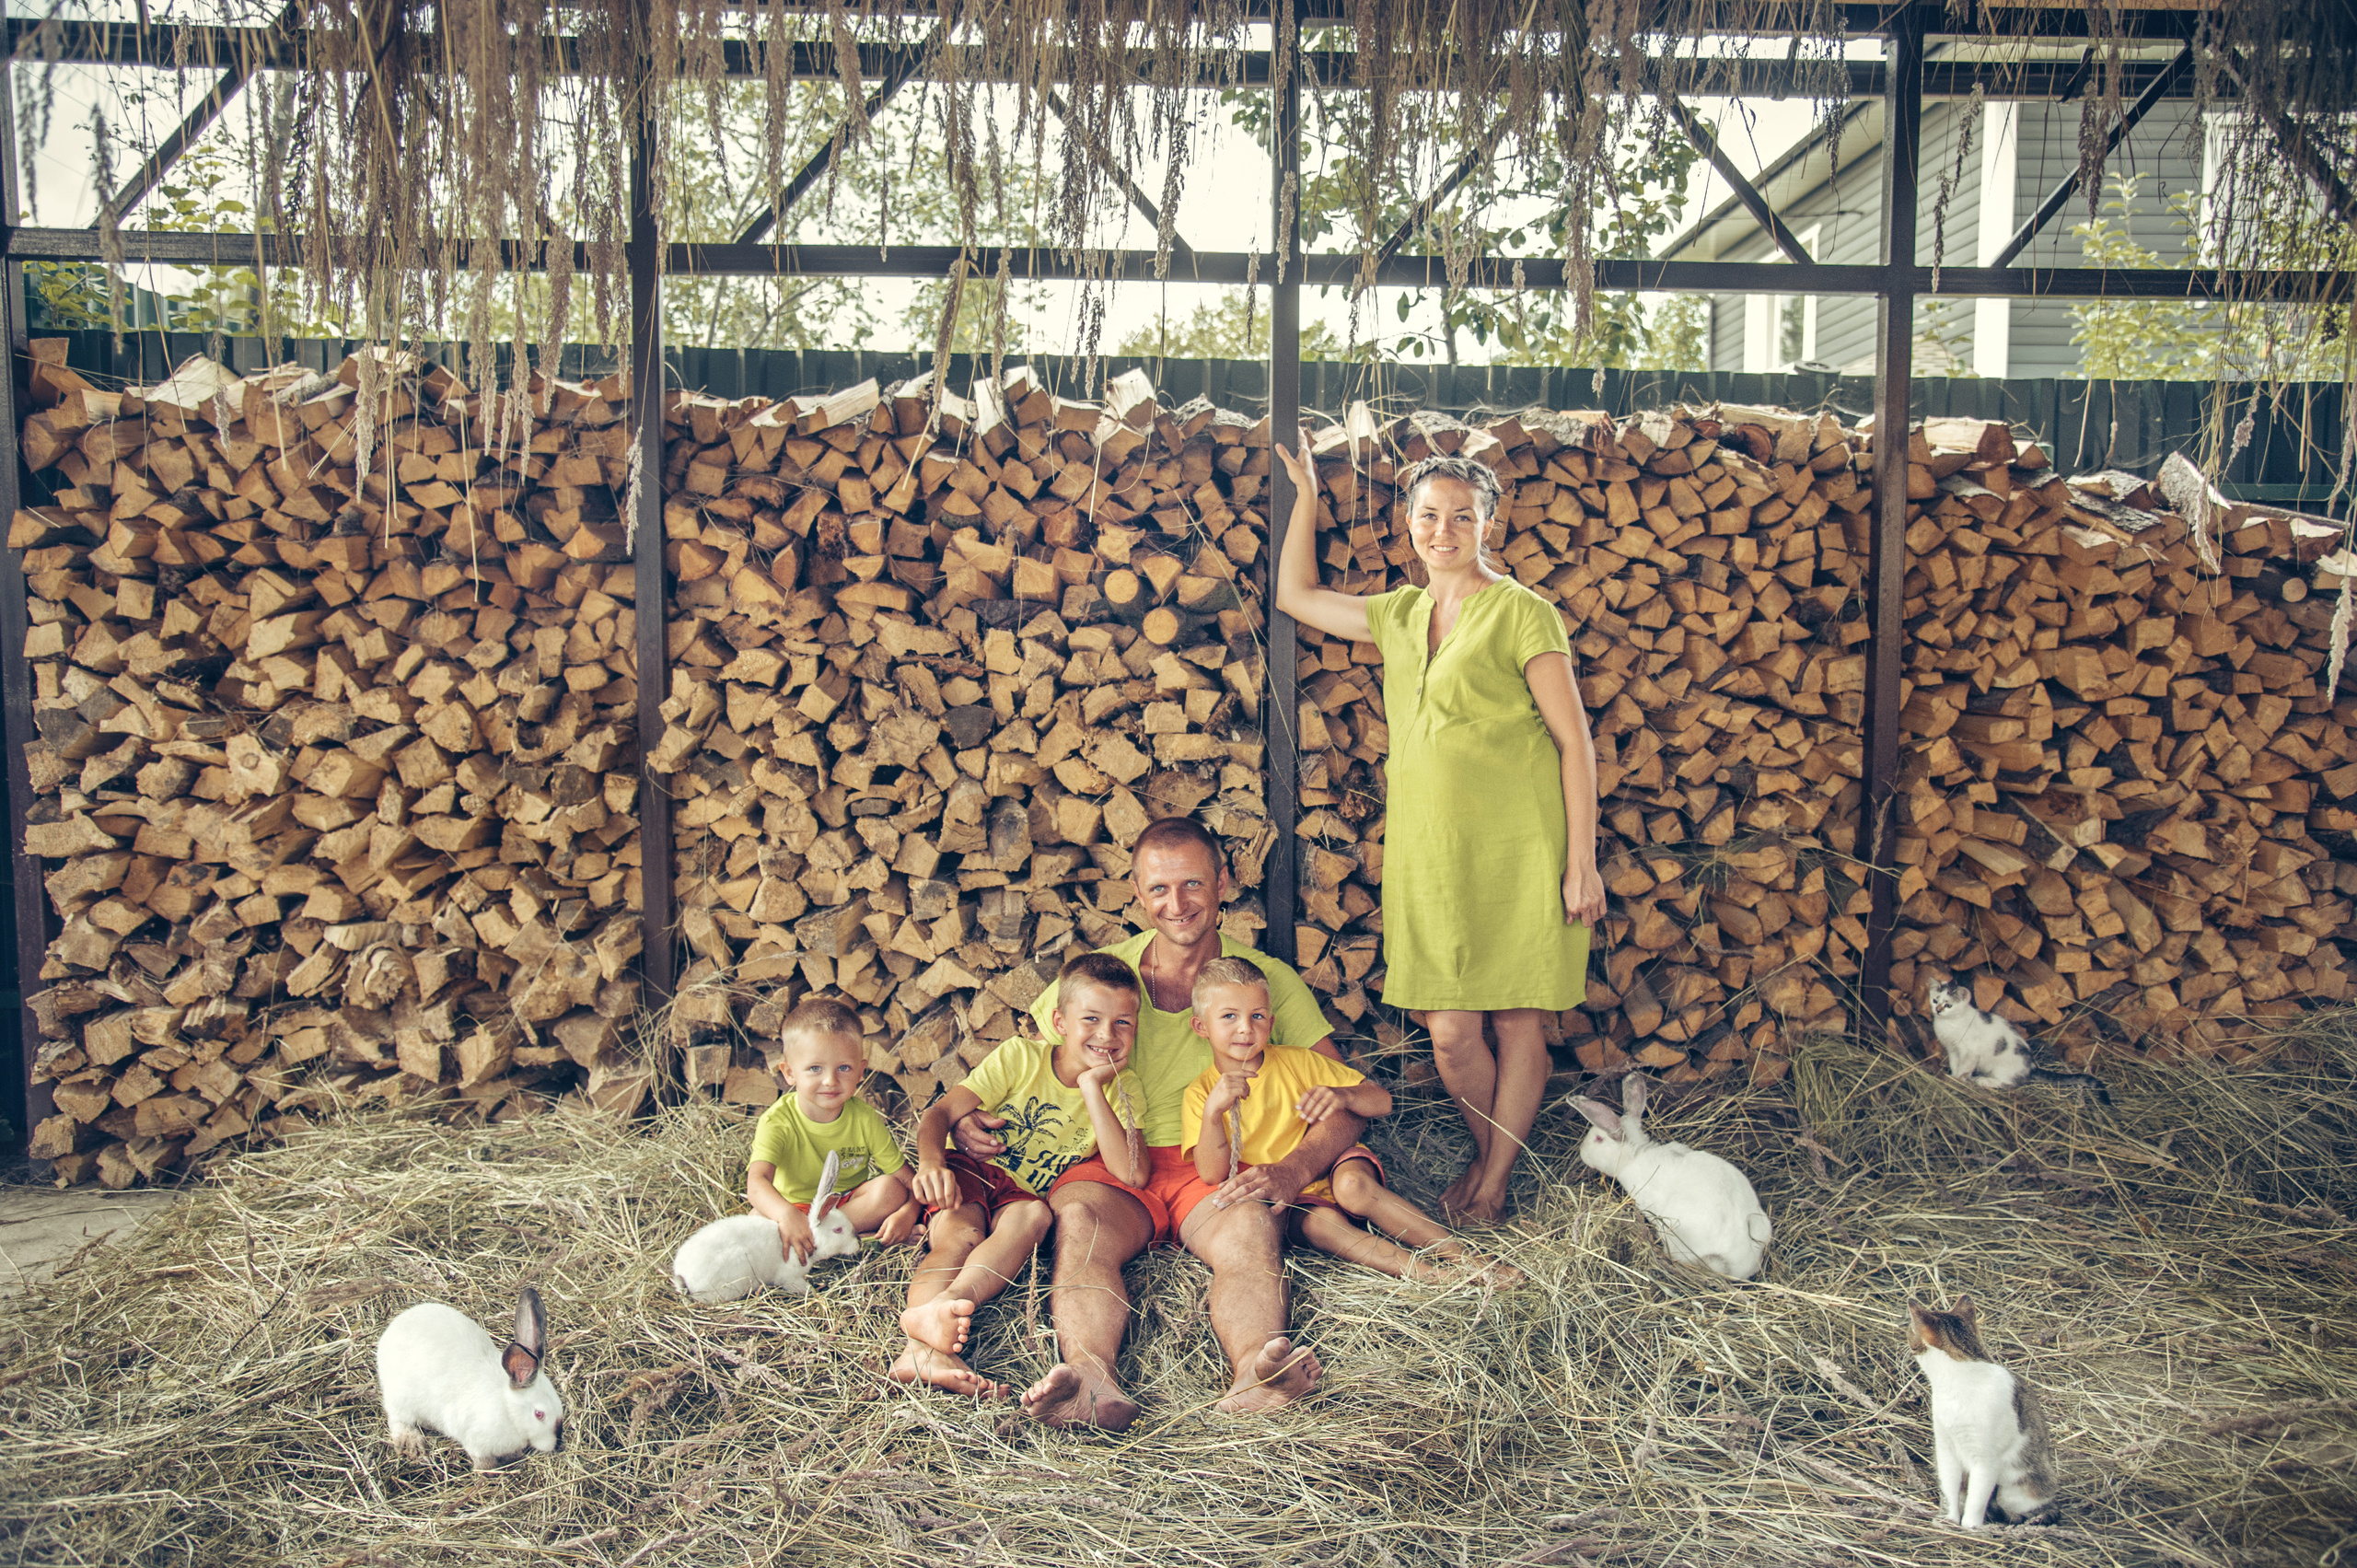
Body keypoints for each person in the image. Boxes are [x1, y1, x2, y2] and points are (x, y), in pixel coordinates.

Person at [1273, 442, 1607, 1225]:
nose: (1443, 528)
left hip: (1522, 848)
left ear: (1488, 523)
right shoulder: (1398, 613)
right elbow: (1294, 593)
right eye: (1428, 515)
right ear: (1409, 525)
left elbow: (1574, 741)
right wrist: (1308, 494)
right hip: (1430, 856)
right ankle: (1493, 1152)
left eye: (1462, 515)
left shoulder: (1524, 611)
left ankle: (1491, 1184)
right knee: (1452, 1032)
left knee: (1520, 1014)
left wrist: (1580, 861)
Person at [953, 815, 1360, 1430]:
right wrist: (964, 1120)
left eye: (1193, 884)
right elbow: (1037, 1063)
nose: (1178, 904)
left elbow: (1346, 1098)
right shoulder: (1101, 977)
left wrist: (1293, 1167)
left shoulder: (1263, 980)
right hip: (1116, 1155)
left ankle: (1258, 1368)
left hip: (1216, 1157)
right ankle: (1090, 1378)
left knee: (1250, 1226)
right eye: (1160, 889)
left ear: (1225, 883)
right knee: (1080, 1224)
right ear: (1138, 894)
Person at [891, 953, 1149, 1399]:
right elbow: (941, 1113)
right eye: (1091, 1019)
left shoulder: (1125, 1090)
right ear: (1060, 1021)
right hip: (971, 1170)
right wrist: (932, 1162)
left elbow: (1132, 1171)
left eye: (1123, 1023)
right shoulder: (1020, 1057)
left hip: (1022, 1196)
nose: (1107, 1035)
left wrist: (1093, 1088)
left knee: (1035, 1219)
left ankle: (944, 1315)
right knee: (961, 1235)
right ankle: (924, 1342)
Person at [1183, 957, 1518, 1284]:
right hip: (1290, 1200)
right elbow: (1212, 1172)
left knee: (1353, 1188)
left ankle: (1470, 1260)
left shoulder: (1298, 1062)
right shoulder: (1201, 1094)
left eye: (1257, 1016)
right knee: (1322, 1226)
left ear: (1271, 1024)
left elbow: (1382, 1101)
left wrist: (1344, 1096)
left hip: (1333, 1167)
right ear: (1201, 1026)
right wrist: (1214, 1113)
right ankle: (1435, 1277)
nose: (1245, 1028)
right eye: (1229, 1016)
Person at [745, 998, 923, 1259]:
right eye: (815, 1068)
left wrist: (908, 1213)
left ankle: (814, 1247)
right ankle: (859, 1241)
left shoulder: (864, 1118)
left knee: (890, 1190)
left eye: (844, 1068)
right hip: (794, 1209)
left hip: (844, 1208)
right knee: (755, 1219)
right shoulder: (777, 1122)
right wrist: (786, 1214)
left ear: (861, 1070)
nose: (830, 1080)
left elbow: (907, 1180)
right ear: (789, 1073)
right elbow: (756, 1182)